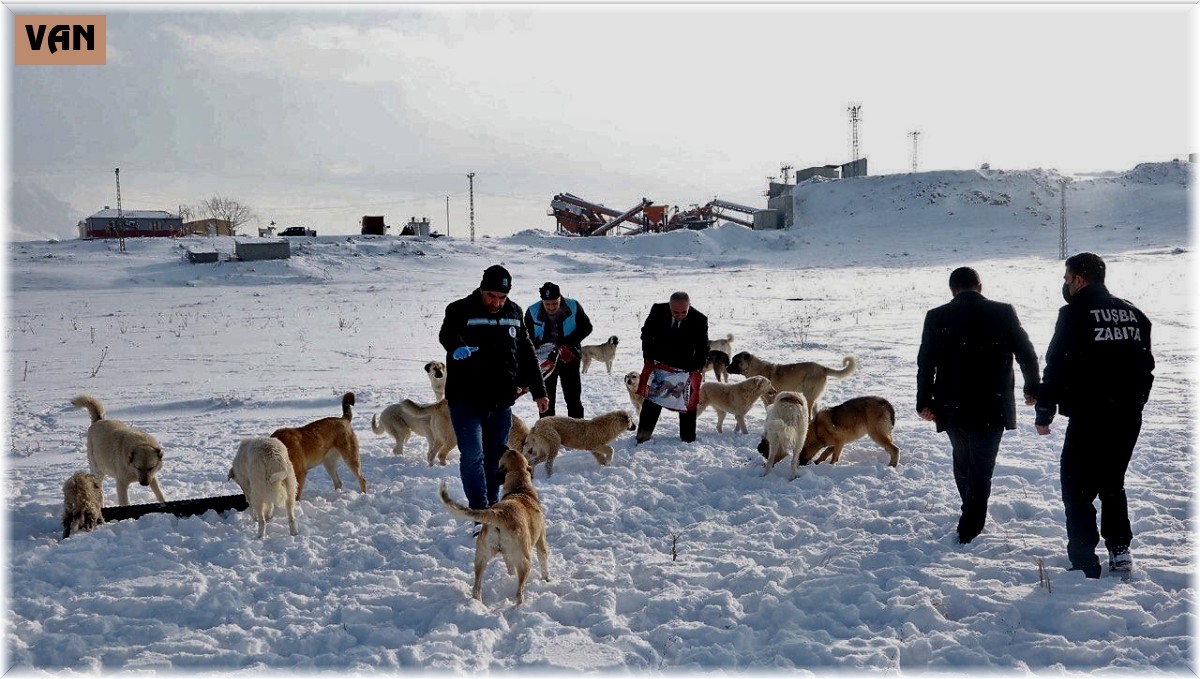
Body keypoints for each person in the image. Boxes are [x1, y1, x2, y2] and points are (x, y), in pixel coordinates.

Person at [1035, 252, 1154, 578]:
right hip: (1127, 417)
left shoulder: (1074, 314)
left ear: (1079, 279)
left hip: (1090, 416)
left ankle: (1084, 560)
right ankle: (1119, 550)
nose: (1065, 284)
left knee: (1076, 488)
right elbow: (1146, 367)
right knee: (1112, 481)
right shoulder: (1134, 313)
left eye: (1066, 278)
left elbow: (1056, 365)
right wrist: (1136, 402)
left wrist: (1045, 411)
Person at [916, 266, 1040, 544]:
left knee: (962, 461)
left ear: (952, 290)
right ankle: (971, 523)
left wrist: (923, 401)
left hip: (951, 404)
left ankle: (970, 514)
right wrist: (1032, 386)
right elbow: (1026, 353)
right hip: (991, 404)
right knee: (981, 465)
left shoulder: (937, 316)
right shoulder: (1003, 312)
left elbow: (926, 362)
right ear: (980, 287)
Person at [438, 264, 549, 521]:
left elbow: (526, 352)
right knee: (473, 455)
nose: (497, 303)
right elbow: (447, 333)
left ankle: (492, 509)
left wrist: (539, 390)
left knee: (492, 457)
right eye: (492, 296)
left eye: (502, 297)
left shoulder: (514, 312)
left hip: (500, 401)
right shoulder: (459, 309)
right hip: (466, 399)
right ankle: (480, 512)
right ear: (482, 288)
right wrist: (456, 346)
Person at [635, 291, 709, 444]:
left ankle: (687, 440)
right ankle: (643, 436)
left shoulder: (699, 319)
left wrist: (695, 369)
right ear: (669, 306)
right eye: (676, 312)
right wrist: (648, 357)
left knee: (687, 405)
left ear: (689, 306)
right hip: (660, 364)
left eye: (684, 312)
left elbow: (703, 348)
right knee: (653, 402)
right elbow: (646, 334)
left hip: (685, 367)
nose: (680, 315)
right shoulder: (657, 310)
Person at [524, 281, 594, 419]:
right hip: (546, 361)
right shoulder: (532, 311)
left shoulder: (573, 306)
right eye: (547, 304)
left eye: (555, 303)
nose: (551, 307)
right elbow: (527, 339)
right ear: (542, 301)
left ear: (560, 298)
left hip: (569, 358)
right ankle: (547, 435)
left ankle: (578, 435)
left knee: (573, 400)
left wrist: (567, 344)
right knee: (546, 402)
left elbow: (587, 327)